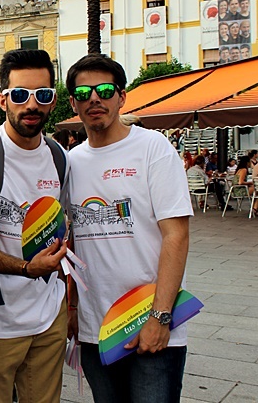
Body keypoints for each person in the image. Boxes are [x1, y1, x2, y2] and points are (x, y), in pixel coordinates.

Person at [66, 54, 192, 402]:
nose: (95, 99)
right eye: (84, 93)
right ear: (73, 102)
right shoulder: (70, 162)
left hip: (149, 320)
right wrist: (73, 309)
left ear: (121, 97)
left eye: (105, 90)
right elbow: (72, 240)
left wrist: (161, 318)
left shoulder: (153, 148)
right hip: (95, 328)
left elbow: (176, 234)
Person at [0, 49, 68, 403]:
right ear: (3, 99)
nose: (32, 105)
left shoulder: (58, 157)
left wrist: (70, 304)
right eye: (21, 95)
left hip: (48, 317)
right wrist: (27, 268)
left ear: (53, 100)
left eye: (43, 95)